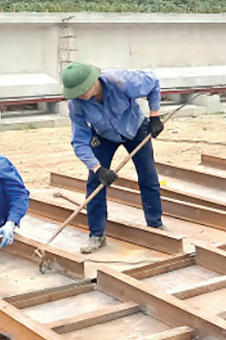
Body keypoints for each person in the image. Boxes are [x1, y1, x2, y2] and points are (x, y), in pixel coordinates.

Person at [62, 62, 166, 254]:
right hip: (104, 135)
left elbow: (153, 83)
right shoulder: (76, 104)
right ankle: (96, 234)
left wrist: (155, 116)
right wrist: (97, 168)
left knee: (148, 176)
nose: (78, 95)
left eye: (80, 90)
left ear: (92, 82)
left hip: (135, 129)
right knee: (95, 183)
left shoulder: (121, 81)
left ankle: (155, 225)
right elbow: (79, 141)